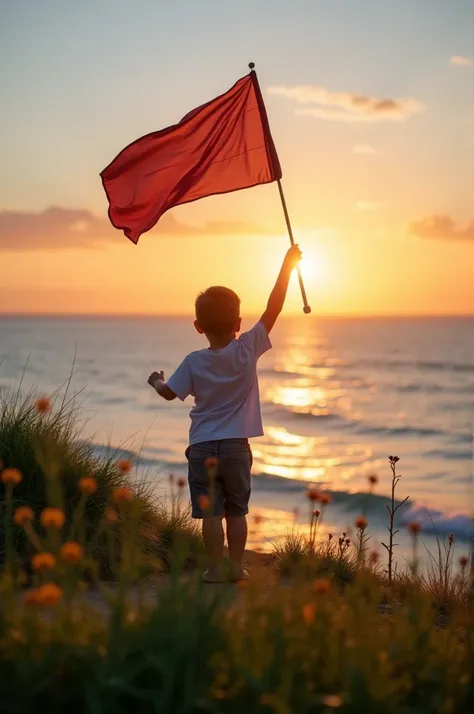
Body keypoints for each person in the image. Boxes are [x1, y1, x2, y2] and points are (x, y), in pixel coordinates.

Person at [148, 244, 302, 582]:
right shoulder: (248, 347)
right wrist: (287, 267)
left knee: (211, 514)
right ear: (238, 323)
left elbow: (170, 394)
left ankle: (215, 570)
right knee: (237, 510)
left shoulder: (193, 361)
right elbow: (274, 306)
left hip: (202, 447)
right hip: (236, 447)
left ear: (197, 326)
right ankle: (237, 567)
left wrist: (157, 381)